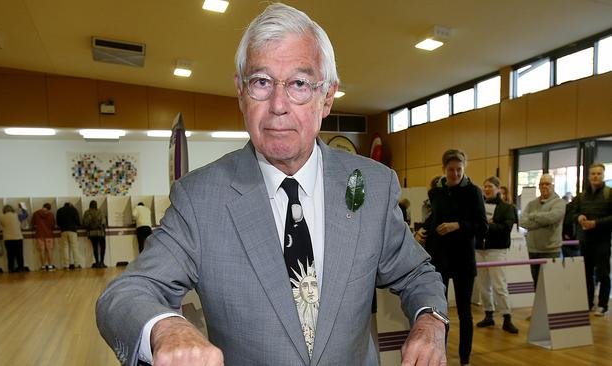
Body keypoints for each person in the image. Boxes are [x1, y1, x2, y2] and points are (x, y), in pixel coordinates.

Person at [97, 4, 448, 366]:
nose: (278, 105)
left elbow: (416, 272)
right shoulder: (201, 199)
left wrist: (430, 320)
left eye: (299, 84)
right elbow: (126, 294)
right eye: (261, 82)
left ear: (326, 97)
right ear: (241, 92)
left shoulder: (372, 185)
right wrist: (165, 327)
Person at [422, 149, 487, 366]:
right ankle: (441, 356)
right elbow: (434, 220)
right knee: (439, 313)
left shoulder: (474, 192)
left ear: (464, 169)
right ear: (444, 169)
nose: (455, 174)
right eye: (451, 170)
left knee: (464, 312)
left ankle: (465, 359)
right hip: (440, 260)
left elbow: (481, 226)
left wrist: (457, 225)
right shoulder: (436, 193)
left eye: (459, 170)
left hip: (463, 261)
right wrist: (423, 231)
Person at [475, 177, 518, 334]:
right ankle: (488, 315)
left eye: (490, 186)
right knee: (483, 285)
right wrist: (487, 224)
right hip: (479, 249)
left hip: (497, 250)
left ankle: (507, 317)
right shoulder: (478, 206)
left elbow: (506, 228)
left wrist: (487, 226)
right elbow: (474, 226)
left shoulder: (507, 207)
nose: (487, 189)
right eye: (485, 186)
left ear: (498, 188)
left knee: (500, 285)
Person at [570, 163, 612, 316]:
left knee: (603, 273)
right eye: (593, 174)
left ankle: (603, 304)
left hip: (603, 240)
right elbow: (573, 213)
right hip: (585, 240)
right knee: (586, 273)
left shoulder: (609, 194)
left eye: (598, 174)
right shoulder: (581, 196)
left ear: (603, 176)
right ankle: (588, 303)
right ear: (588, 176)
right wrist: (579, 218)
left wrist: (596, 223)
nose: (595, 176)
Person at [518, 174, 566, 288]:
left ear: (553, 186)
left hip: (550, 250)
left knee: (550, 284)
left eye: (547, 184)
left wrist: (533, 216)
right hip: (533, 250)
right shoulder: (531, 204)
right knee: (536, 284)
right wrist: (542, 221)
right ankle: (539, 306)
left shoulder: (559, 203)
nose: (544, 186)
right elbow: (522, 221)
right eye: (541, 184)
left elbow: (552, 218)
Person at [0, 204, 27, 272]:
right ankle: (21, 268)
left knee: (10, 255)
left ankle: (11, 269)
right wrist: (22, 208)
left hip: (7, 239)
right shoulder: (17, 215)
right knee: (19, 254)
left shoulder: (1, 217)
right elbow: (25, 215)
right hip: (17, 238)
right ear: (12, 209)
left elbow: (3, 225)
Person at [56, 202, 81, 270]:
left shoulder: (59, 210)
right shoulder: (74, 210)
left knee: (65, 248)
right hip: (72, 230)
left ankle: (66, 265)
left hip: (63, 230)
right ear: (70, 205)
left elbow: (58, 222)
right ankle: (76, 264)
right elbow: (78, 221)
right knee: (74, 248)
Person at [32, 203, 56, 271]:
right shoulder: (50, 214)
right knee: (49, 250)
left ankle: (43, 266)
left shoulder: (36, 213)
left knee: (42, 251)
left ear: (43, 206)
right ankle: (50, 266)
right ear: (49, 209)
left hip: (39, 235)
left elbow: (33, 224)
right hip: (49, 235)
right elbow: (53, 225)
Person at [83, 200, 107, 268]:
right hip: (101, 233)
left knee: (95, 248)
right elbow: (104, 223)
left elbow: (85, 223)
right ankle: (102, 262)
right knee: (103, 247)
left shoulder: (87, 212)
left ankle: (97, 263)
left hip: (92, 233)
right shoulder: (100, 212)